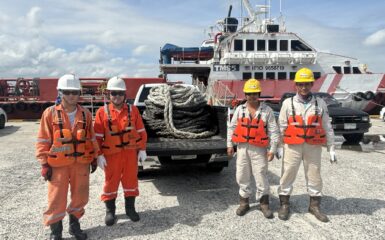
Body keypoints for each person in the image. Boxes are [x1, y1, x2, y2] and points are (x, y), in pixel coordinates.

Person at [36, 74, 99, 240]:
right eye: (67, 91)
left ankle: (74, 226)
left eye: (75, 92)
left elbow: (91, 138)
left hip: (81, 163)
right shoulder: (49, 114)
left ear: (79, 93)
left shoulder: (85, 114)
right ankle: (55, 232)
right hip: (58, 165)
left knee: (80, 195)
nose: (72, 95)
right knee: (56, 199)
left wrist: (94, 157)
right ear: (60, 93)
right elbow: (43, 140)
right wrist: (44, 163)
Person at [277, 68, 337, 222]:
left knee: (314, 174)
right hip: (292, 145)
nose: (304, 88)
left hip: (313, 145)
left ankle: (314, 206)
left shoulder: (320, 103)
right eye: (301, 84)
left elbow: (327, 126)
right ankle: (284, 204)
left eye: (307, 84)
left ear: (312, 84)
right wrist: (279, 146)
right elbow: (281, 127)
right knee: (288, 173)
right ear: (296, 85)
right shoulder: (287, 103)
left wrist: (331, 148)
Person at [94, 76, 147, 226]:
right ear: (109, 94)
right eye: (113, 93)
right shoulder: (101, 112)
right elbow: (97, 137)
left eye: (120, 93)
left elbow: (141, 131)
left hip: (130, 154)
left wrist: (142, 149)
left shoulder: (133, 110)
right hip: (111, 156)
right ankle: (110, 212)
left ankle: (130, 209)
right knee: (110, 183)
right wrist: (98, 155)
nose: (117, 96)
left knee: (131, 181)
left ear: (125, 94)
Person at [227, 78, 280, 219]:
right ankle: (244, 203)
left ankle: (264, 204)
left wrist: (273, 149)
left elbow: (274, 131)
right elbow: (232, 127)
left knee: (261, 174)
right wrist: (229, 145)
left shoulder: (266, 110)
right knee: (242, 175)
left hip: (259, 149)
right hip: (242, 147)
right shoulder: (239, 109)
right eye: (249, 93)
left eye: (255, 93)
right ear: (245, 94)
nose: (252, 96)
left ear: (259, 93)